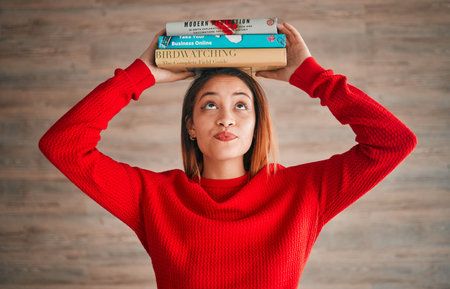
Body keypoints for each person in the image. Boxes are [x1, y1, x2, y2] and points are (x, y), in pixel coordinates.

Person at [39, 22, 417, 288]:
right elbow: (63, 146)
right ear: (190, 126)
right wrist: (140, 75)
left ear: (257, 124)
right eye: (208, 106)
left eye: (241, 106)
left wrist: (312, 76)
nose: (225, 119)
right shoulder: (152, 197)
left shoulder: (303, 192)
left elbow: (393, 142)